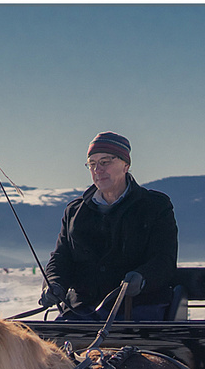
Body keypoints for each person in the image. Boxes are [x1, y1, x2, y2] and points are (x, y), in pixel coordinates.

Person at [41, 132, 178, 320]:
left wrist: (142, 278)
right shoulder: (74, 212)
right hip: (81, 310)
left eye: (105, 162)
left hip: (139, 308)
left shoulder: (155, 206)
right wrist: (54, 283)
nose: (98, 169)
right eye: (92, 164)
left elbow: (164, 259)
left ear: (126, 165)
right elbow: (61, 257)